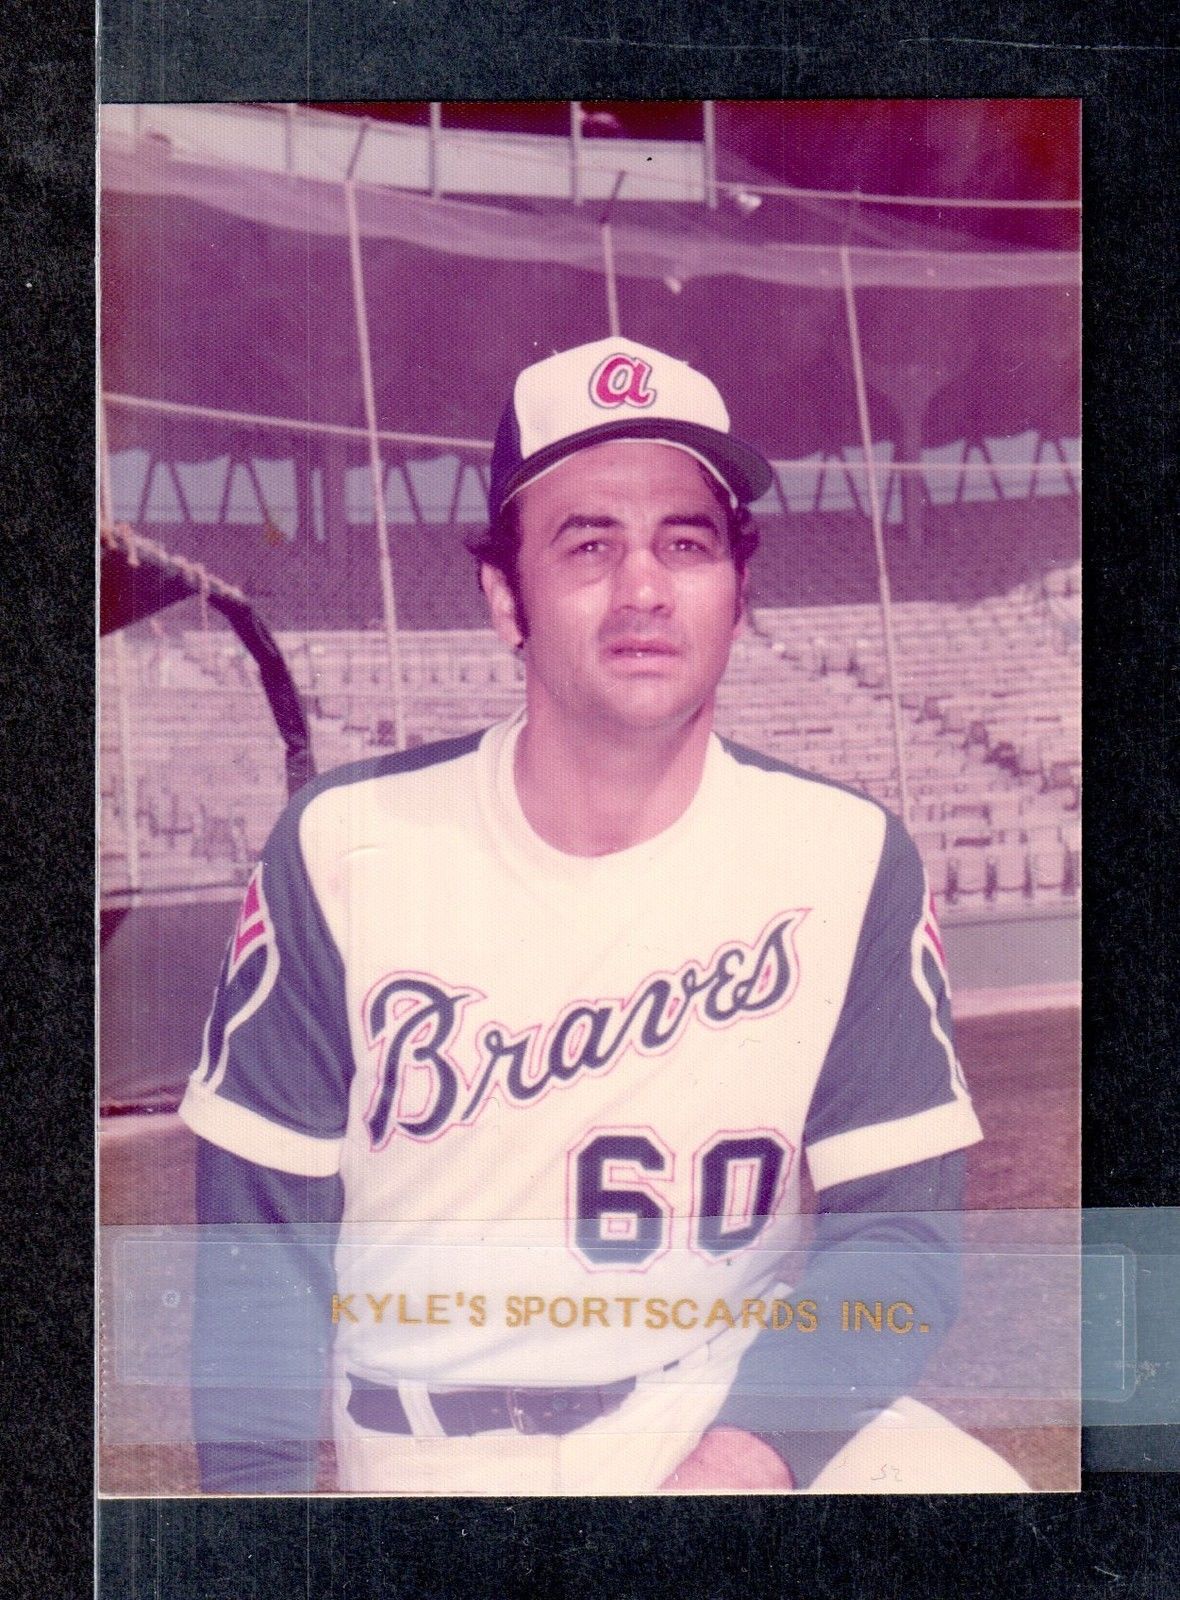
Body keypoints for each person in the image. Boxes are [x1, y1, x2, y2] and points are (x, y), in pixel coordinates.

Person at [180, 336, 1025, 1494]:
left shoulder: (845, 855)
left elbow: (899, 1242)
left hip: (715, 1412)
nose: (643, 588)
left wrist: (745, 1458)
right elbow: (255, 1263)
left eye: (686, 542)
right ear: (505, 598)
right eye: (588, 543)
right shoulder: (346, 847)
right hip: (435, 1455)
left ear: (738, 591)